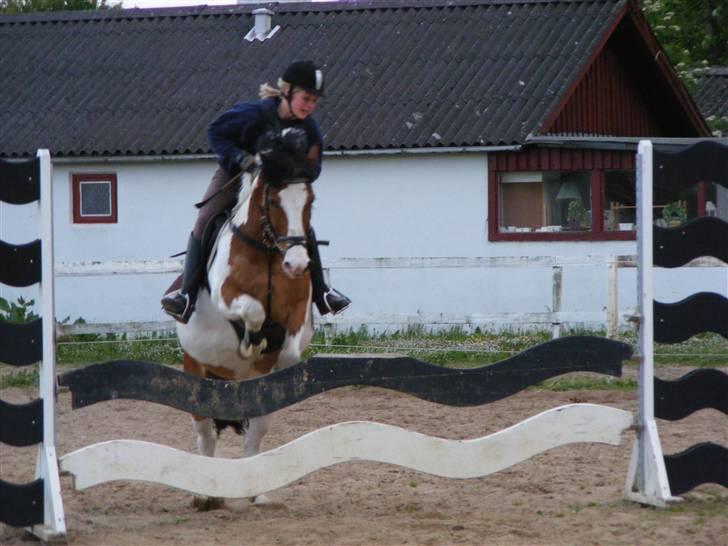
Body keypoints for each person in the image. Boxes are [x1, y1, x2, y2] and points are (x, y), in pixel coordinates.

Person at [161, 61, 351, 324]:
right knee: (206, 217)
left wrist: (296, 169)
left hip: (279, 184)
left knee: (301, 226)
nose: (310, 106)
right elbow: (216, 132)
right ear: (287, 91)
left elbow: (315, 168)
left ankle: (322, 293)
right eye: (306, 98)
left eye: (314, 101)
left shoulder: (310, 129)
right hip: (237, 173)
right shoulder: (254, 114)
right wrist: (240, 158)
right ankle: (186, 295)